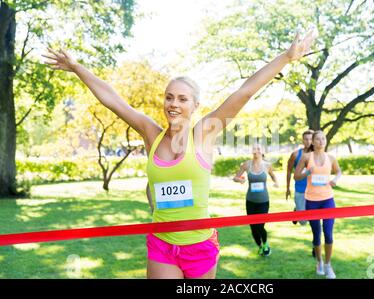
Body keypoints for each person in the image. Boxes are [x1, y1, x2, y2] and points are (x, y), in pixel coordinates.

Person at [43, 27, 318, 279]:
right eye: (169, 97)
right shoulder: (151, 134)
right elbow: (115, 101)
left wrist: (286, 57)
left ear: (195, 105)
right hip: (162, 245)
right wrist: (78, 68)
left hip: (199, 245)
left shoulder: (203, 134)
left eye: (182, 99)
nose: (173, 104)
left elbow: (244, 92)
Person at [294, 130, 342, 279]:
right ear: (313, 142)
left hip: (328, 199)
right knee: (316, 234)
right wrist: (308, 173)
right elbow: (296, 176)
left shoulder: (331, 158)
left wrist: (336, 179)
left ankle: (328, 265)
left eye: (323, 139)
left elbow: (339, 171)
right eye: (318, 139)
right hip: (312, 201)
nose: (321, 141)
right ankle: (319, 262)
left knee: (328, 233)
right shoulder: (307, 157)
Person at [232, 144, 279, 256]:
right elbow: (235, 177)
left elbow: (273, 175)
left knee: (260, 225)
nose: (256, 151)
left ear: (262, 151)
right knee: (253, 227)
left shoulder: (267, 165)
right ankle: (260, 246)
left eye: (258, 148)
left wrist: (276, 182)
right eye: (254, 149)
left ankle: (266, 244)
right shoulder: (247, 165)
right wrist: (240, 180)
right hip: (250, 201)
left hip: (263, 201)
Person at [286, 129, 313, 225]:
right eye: (306, 139)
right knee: (303, 221)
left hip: (314, 190)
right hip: (300, 189)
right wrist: (288, 188)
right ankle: (297, 210)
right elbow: (289, 170)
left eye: (311, 139)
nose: (308, 142)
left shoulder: (318, 155)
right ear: (302, 140)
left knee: (315, 217)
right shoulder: (295, 154)